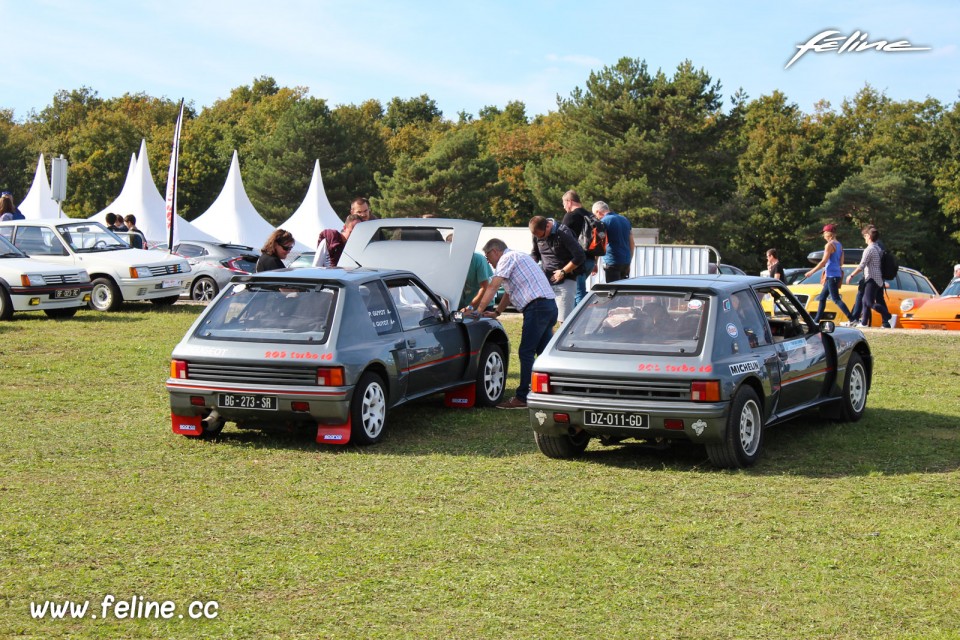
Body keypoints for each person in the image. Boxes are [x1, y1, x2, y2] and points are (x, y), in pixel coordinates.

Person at [470, 238, 558, 409]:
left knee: (526, 351)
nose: (488, 262)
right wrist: (497, 312)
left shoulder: (506, 259)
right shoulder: (519, 257)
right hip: (548, 306)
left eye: (488, 257)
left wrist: (478, 310)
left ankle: (522, 397)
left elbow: (493, 286)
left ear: (495, 251)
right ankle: (552, 390)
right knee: (544, 352)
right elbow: (509, 293)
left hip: (537, 307)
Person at [529, 215, 584, 323]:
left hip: (566, 280)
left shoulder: (563, 233)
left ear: (548, 226)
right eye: (539, 237)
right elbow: (535, 253)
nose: (542, 238)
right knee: (546, 320)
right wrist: (532, 263)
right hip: (546, 281)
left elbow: (580, 256)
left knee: (564, 320)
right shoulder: (537, 234)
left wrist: (563, 271)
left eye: (543, 235)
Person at [805, 224, 855, 324]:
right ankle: (816, 320)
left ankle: (852, 319)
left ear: (829, 234)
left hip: (831, 275)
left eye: (824, 233)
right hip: (835, 275)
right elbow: (841, 263)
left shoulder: (829, 245)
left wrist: (811, 271)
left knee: (836, 299)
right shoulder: (839, 245)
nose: (823, 236)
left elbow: (823, 261)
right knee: (822, 297)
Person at [846, 226, 893, 328]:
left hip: (871, 278)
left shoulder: (869, 249)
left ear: (868, 236)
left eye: (865, 236)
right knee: (864, 301)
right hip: (878, 278)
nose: (864, 238)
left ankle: (887, 315)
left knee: (868, 302)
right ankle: (864, 323)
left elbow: (862, 265)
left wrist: (851, 275)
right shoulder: (878, 247)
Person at [560, 190, 594, 304]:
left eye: (564, 204)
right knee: (580, 292)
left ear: (569, 202)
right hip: (591, 261)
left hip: (577, 262)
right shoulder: (590, 215)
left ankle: (577, 321)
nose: (564, 207)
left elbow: (561, 238)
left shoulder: (571, 216)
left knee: (578, 293)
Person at [592, 201, 634, 283]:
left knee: (613, 291)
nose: (595, 218)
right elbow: (632, 243)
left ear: (598, 212)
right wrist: (629, 262)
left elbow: (599, 244)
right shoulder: (625, 220)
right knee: (623, 292)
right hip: (625, 262)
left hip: (612, 262)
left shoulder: (603, 222)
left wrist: (595, 263)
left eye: (595, 215)